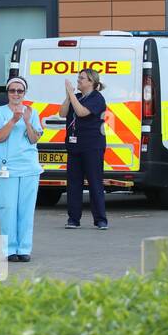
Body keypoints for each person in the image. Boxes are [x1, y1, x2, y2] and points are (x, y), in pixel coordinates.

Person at [0, 77, 43, 263]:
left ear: (24, 93)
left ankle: (24, 248)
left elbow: (34, 139)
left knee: (26, 211)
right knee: (8, 209)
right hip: (7, 169)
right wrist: (14, 120)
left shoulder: (32, 112)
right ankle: (10, 249)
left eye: (20, 91)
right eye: (12, 90)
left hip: (28, 168)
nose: (16, 94)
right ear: (8, 92)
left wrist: (27, 122)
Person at [62, 68, 109, 230]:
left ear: (91, 82)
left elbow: (81, 112)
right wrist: (68, 97)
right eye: (78, 78)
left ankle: (100, 219)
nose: (78, 81)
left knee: (95, 182)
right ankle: (73, 219)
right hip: (74, 146)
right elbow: (62, 113)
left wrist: (72, 96)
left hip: (92, 146)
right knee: (73, 184)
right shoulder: (77, 97)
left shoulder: (97, 98)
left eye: (81, 78)